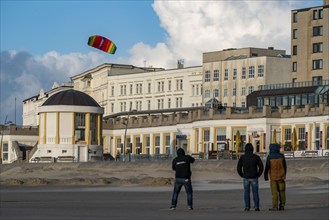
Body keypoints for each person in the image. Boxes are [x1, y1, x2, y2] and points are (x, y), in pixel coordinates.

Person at [237, 143, 264, 211]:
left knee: (246, 193)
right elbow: (261, 167)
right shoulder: (256, 157)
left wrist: (242, 175)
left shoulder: (242, 157)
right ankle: (256, 207)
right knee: (255, 193)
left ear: (245, 149)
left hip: (246, 177)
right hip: (254, 176)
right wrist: (258, 174)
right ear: (252, 149)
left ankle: (247, 207)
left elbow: (238, 168)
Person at [264, 143, 287, 211]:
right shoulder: (281, 156)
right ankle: (282, 205)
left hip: (273, 177)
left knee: (274, 193)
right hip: (281, 176)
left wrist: (266, 176)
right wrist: (284, 173)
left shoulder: (270, 157)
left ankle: (275, 206)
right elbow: (285, 166)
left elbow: (267, 167)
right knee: (282, 191)